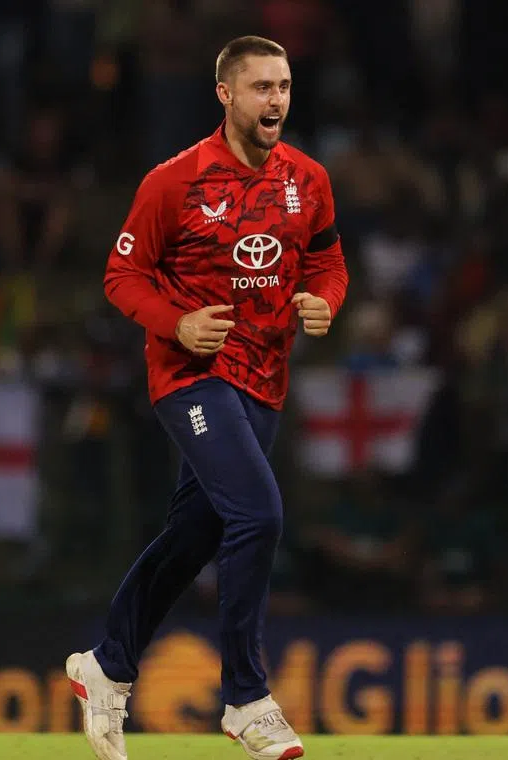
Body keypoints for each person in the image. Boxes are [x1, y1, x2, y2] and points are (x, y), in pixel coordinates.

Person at [65, 36, 348, 760]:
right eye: (260, 87)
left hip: (264, 381)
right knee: (259, 512)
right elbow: (121, 278)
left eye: (283, 86)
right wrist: (178, 323)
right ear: (225, 95)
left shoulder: (308, 178)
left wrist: (324, 300)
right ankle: (247, 699)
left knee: (197, 536)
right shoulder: (174, 181)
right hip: (192, 377)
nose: (276, 100)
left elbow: (328, 262)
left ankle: (108, 664)